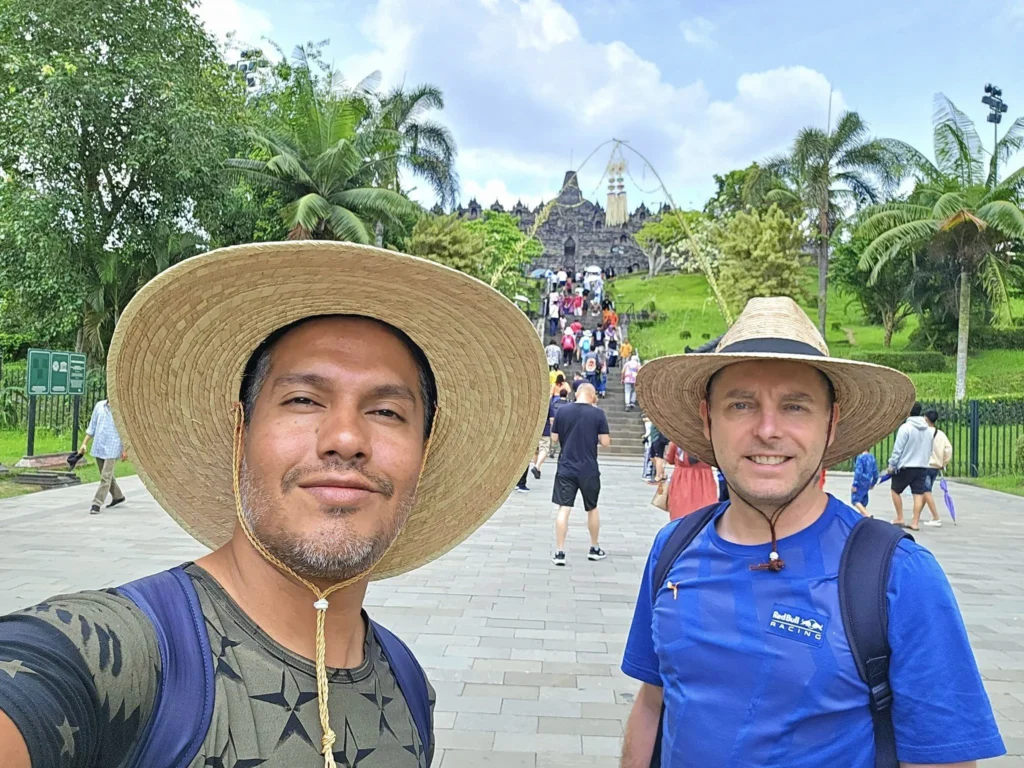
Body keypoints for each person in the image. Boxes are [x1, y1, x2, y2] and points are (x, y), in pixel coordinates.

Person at [0, 242, 549, 768]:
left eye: (386, 411)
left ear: (424, 453)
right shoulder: (116, 658)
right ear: (241, 431)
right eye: (303, 399)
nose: (345, 438)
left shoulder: (407, 687)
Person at [619, 296, 1003, 768]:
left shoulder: (896, 576)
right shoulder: (674, 548)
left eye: (795, 406)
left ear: (831, 423)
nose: (767, 430)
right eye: (741, 404)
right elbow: (652, 704)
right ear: (707, 418)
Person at [550, 383, 610, 566]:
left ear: (577, 394)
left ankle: (559, 552)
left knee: (564, 508)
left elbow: (554, 438)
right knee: (592, 508)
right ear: (593, 396)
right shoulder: (598, 414)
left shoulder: (562, 411)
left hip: (566, 467)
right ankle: (594, 547)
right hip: (588, 468)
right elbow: (605, 442)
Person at [887, 402, 935, 532]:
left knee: (895, 490)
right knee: (918, 493)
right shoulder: (928, 430)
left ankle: (900, 517)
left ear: (908, 412)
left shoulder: (905, 428)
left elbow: (898, 449)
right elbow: (930, 449)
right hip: (922, 466)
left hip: (906, 466)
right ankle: (915, 522)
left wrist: (892, 465)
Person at [77, 398, 128, 515]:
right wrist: (84, 443)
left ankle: (96, 503)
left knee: (105, 476)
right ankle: (118, 496)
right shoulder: (99, 406)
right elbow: (92, 427)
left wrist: (125, 449)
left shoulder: (121, 409)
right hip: (99, 445)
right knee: (106, 475)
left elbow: (125, 430)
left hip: (113, 446)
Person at [663, 442, 718, 520]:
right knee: (706, 508)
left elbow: (670, 459)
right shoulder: (708, 443)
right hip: (705, 478)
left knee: (680, 509)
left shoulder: (677, 441)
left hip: (682, 478)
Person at [922, 408, 953, 527]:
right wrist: (943, 463)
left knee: (926, 491)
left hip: (925, 465)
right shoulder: (940, 434)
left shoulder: (923, 433)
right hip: (936, 466)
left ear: (926, 419)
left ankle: (936, 517)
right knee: (926, 490)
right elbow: (948, 450)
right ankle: (917, 514)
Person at [531, 390, 568, 480]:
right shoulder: (547, 404)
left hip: (533, 430)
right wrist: (553, 429)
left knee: (535, 451)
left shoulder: (532, 403)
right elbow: (551, 419)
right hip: (544, 429)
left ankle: (537, 468)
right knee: (544, 449)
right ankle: (537, 466)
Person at [851, 450, 879, 517]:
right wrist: (873, 483)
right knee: (864, 500)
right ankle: (862, 516)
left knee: (855, 500)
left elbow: (858, 472)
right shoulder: (871, 457)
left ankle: (867, 514)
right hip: (868, 482)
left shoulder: (860, 458)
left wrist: (854, 484)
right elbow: (875, 473)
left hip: (860, 482)